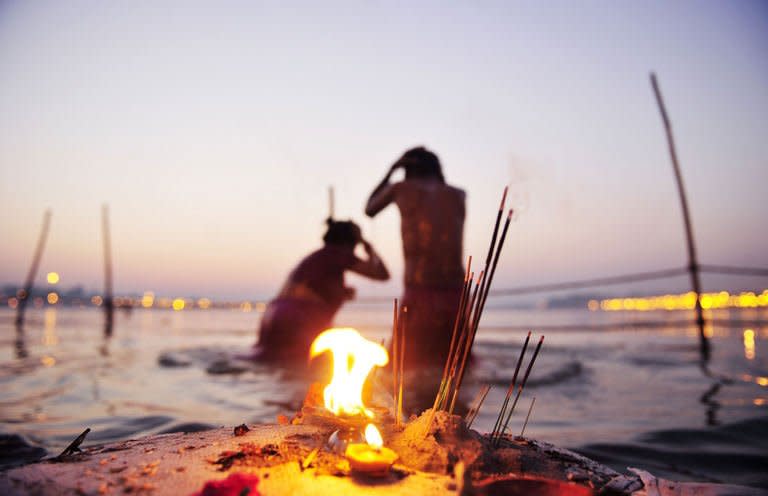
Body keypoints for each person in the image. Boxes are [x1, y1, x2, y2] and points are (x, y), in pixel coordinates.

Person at [365, 146, 466, 371]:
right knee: (457, 368)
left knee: (403, 368)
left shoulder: (402, 188)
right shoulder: (459, 195)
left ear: (407, 168)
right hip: (456, 292)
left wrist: (391, 170)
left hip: (419, 291)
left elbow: (369, 209)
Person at [255, 219, 389, 361]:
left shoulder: (318, 257)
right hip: (300, 317)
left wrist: (342, 292)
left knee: (272, 362)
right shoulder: (338, 254)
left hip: (273, 313)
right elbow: (381, 274)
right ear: (351, 240)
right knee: (305, 367)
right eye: (358, 239)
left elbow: (314, 288)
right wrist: (369, 248)